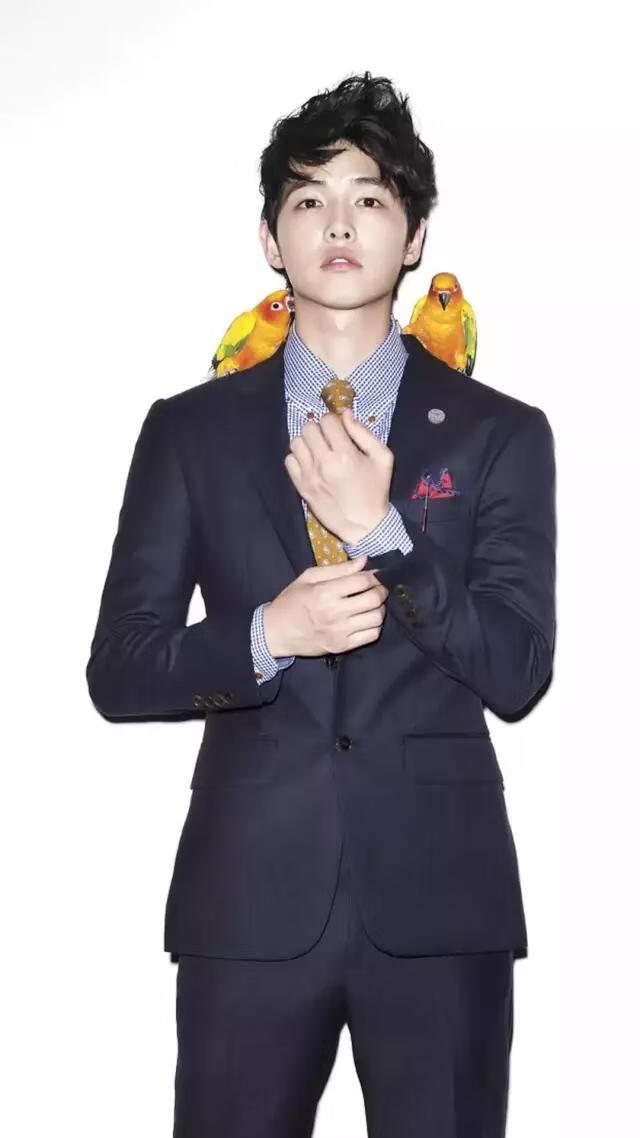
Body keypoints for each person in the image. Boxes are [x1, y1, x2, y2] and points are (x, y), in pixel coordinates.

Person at [86, 70, 556, 1138]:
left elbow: (519, 668)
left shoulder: (500, 433)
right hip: (248, 898)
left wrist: (386, 534)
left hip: (442, 901)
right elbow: (120, 668)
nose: (339, 223)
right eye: (309, 198)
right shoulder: (187, 430)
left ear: (414, 235)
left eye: (370, 197)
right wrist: (268, 635)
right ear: (270, 237)